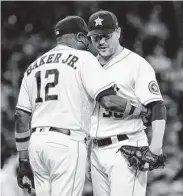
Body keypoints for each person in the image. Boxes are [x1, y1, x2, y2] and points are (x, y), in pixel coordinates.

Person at [14, 16, 147, 196]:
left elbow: (21, 117)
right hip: (67, 143)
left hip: (37, 145)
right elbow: (108, 101)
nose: (89, 44)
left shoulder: (33, 67)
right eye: (86, 38)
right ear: (79, 36)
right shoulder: (83, 58)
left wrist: (23, 161)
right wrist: (138, 109)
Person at [87, 10, 167, 196]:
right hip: (96, 150)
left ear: (118, 32)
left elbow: (157, 107)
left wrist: (155, 147)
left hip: (126, 148)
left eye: (106, 36)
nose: (101, 42)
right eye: (96, 37)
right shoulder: (88, 66)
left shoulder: (136, 64)